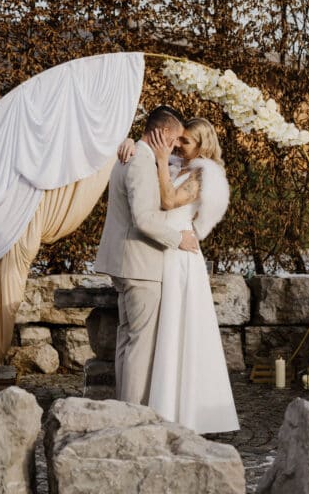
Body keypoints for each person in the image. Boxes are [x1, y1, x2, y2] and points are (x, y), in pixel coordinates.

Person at [118, 117, 239, 434]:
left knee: (180, 329)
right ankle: (159, 405)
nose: (177, 145)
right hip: (164, 251)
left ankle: (185, 411)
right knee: (158, 334)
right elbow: (145, 176)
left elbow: (169, 200)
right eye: (178, 139)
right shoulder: (172, 165)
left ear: (201, 145)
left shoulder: (202, 174)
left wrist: (160, 160)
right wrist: (131, 143)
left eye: (185, 141)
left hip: (182, 255)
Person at [95, 106, 200, 405]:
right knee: (139, 347)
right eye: (176, 138)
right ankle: (133, 414)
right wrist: (178, 239)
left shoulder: (131, 156)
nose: (177, 145)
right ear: (164, 133)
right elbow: (143, 219)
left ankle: (123, 409)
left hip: (125, 263)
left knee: (127, 340)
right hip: (140, 265)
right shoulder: (140, 162)